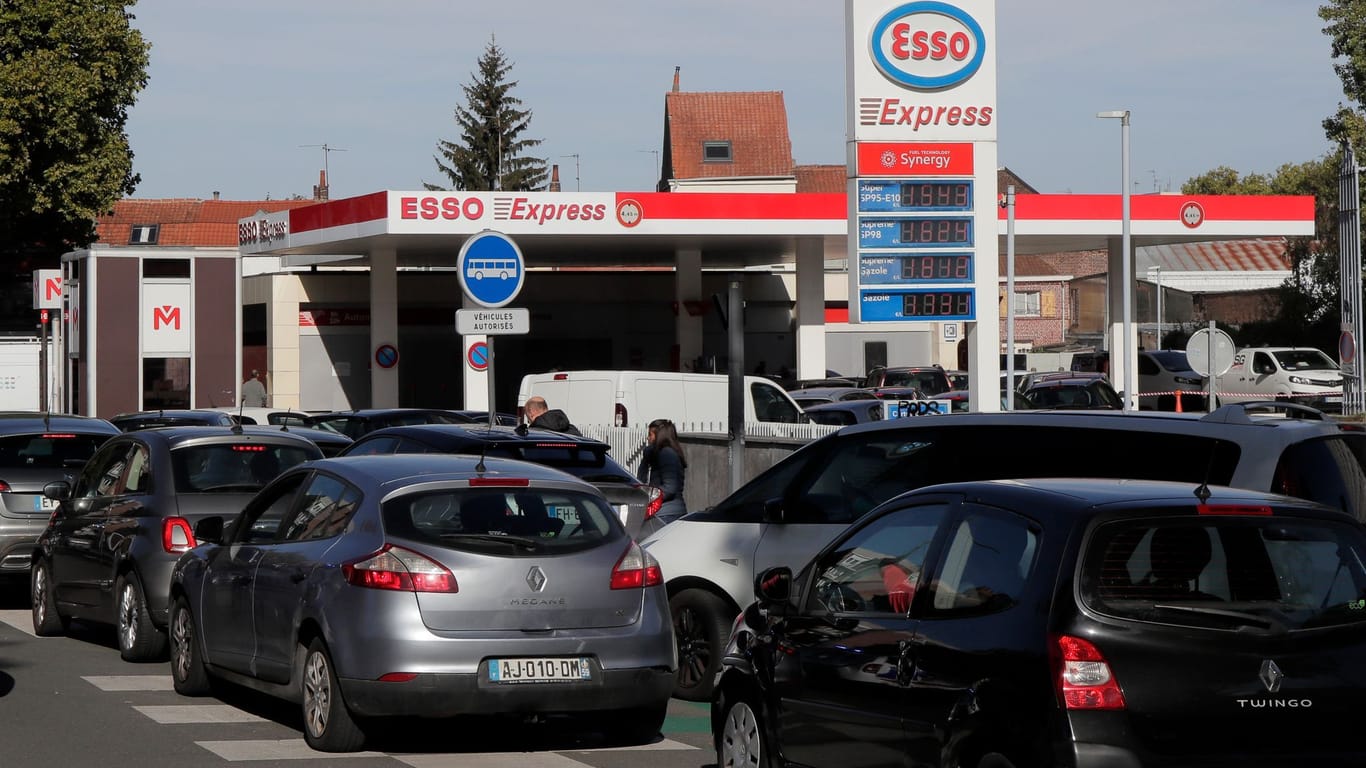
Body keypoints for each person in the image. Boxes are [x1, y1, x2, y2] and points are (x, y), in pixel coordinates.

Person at [637, 419, 687, 525]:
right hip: (663, 513)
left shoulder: (667, 454)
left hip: (667, 514)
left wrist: (650, 496)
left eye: (650, 434)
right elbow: (641, 479)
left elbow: (670, 487)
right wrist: (646, 458)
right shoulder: (661, 454)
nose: (648, 438)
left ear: (659, 436)